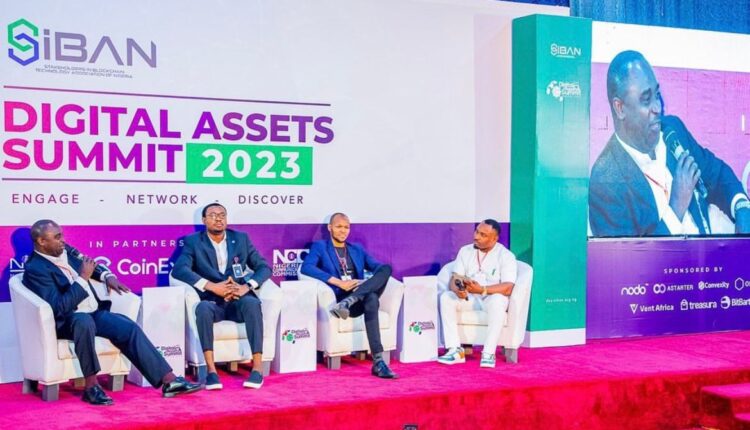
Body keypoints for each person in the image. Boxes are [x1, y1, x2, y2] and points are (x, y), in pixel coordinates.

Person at [22, 220, 201, 405]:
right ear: (41, 241)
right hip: (65, 321)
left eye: (62, 235)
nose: (63, 240)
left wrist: (107, 276)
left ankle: (169, 381)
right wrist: (82, 278)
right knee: (83, 321)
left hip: (92, 313)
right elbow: (59, 307)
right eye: (57, 237)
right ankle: (91, 387)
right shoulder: (35, 268)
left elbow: (90, 265)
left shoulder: (64, 250)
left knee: (127, 327)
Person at [589, 50, 750, 237]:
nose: (658, 107)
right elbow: (631, 256)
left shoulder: (672, 130)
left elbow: (717, 174)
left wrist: (741, 207)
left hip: (709, 253)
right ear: (620, 108)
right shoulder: (604, 181)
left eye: (657, 95)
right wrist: (675, 208)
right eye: (646, 100)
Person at [171, 203, 270, 390]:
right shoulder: (193, 242)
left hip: (238, 299)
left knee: (252, 303)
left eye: (222, 215)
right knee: (202, 309)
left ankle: (257, 369)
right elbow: (179, 269)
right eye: (213, 215)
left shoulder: (240, 239)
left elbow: (264, 267)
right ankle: (211, 371)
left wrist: (246, 287)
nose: (218, 219)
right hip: (212, 300)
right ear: (204, 220)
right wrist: (212, 286)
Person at [300, 212, 398, 379]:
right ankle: (378, 361)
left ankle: (378, 361)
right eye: (338, 226)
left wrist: (364, 283)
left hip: (355, 299)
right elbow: (307, 267)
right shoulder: (320, 247)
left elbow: (378, 267)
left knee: (385, 269)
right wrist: (339, 282)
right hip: (339, 298)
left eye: (346, 227)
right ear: (330, 228)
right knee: (372, 298)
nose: (343, 230)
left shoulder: (356, 249)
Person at [438, 219, 516, 368]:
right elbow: (455, 278)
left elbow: (508, 287)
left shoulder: (506, 256)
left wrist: (482, 290)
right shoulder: (465, 251)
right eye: (476, 232)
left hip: (490, 298)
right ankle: (455, 350)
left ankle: (488, 353)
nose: (476, 237)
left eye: (483, 235)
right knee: (447, 297)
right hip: (470, 298)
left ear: (494, 238)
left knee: (499, 300)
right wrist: (457, 290)